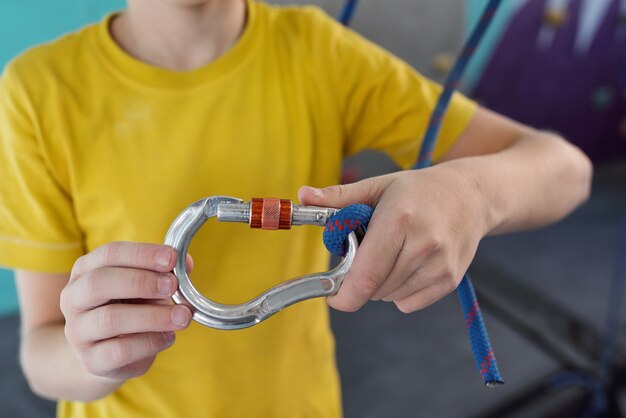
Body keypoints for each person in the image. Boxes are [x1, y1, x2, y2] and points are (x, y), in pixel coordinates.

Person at [0, 0, 592, 417]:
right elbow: (41, 355)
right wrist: (94, 355)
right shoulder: (37, 93)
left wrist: (473, 194)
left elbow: (567, 170)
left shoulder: (319, 54)